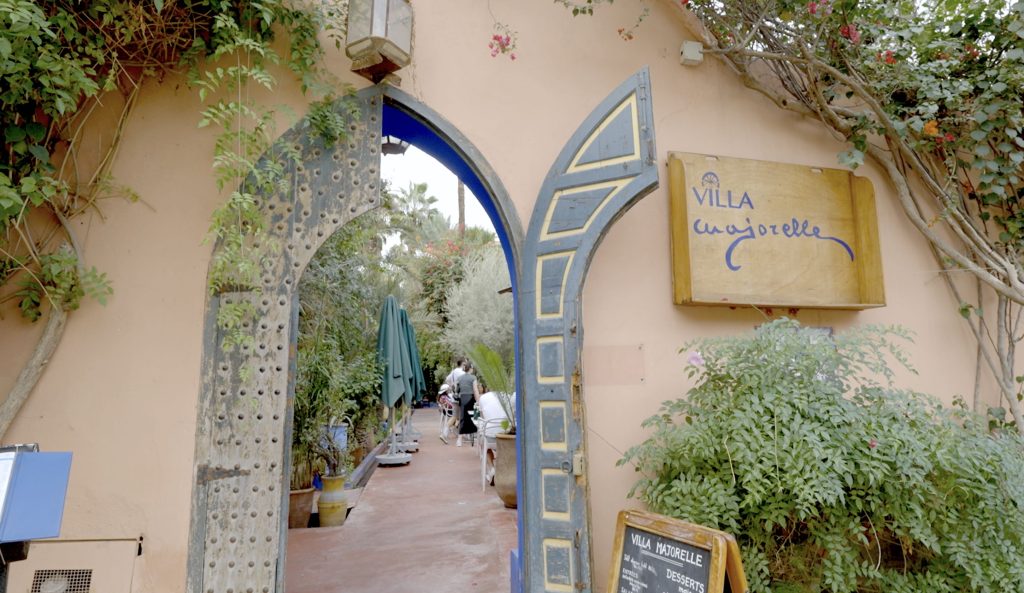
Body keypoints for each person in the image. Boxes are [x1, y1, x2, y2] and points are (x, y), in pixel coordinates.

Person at [454, 362, 479, 446]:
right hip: (470, 398)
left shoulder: (460, 378)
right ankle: (475, 435)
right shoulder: (473, 377)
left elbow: (456, 389)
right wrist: (478, 401)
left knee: (463, 418)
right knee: (475, 417)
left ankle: (459, 440)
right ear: (471, 369)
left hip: (462, 399)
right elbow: (475, 390)